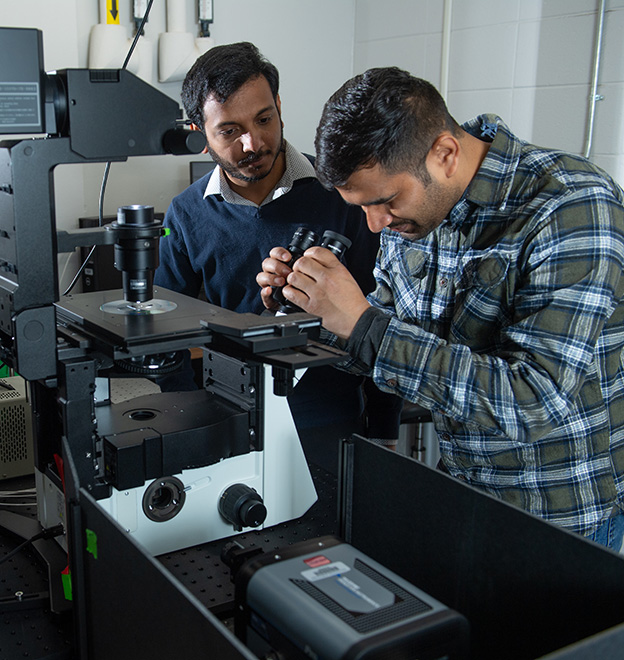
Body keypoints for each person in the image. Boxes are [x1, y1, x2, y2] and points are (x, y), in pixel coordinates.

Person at [257, 66, 624, 550]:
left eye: (385, 201)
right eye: (362, 206)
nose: (374, 225)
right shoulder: (409, 220)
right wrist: (312, 314)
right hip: (463, 495)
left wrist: (364, 324)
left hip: (560, 520)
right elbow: (386, 351)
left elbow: (536, 402)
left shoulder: (571, 205)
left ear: (445, 154)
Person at [154, 44, 402, 474]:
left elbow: (386, 312)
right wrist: (184, 419)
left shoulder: (343, 196)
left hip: (328, 419)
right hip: (228, 420)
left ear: (279, 105)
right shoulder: (187, 213)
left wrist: (384, 429)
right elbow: (162, 328)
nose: (253, 143)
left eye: (264, 119)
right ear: (198, 133)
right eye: (229, 131)